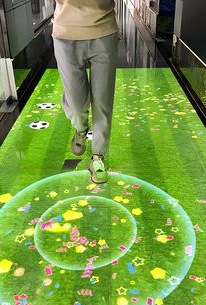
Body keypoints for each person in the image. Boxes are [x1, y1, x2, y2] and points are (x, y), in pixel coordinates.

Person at [52, 0, 119, 184]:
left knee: (103, 101)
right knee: (76, 104)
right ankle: (80, 128)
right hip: (66, 32)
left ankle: (98, 157)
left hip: (104, 29)